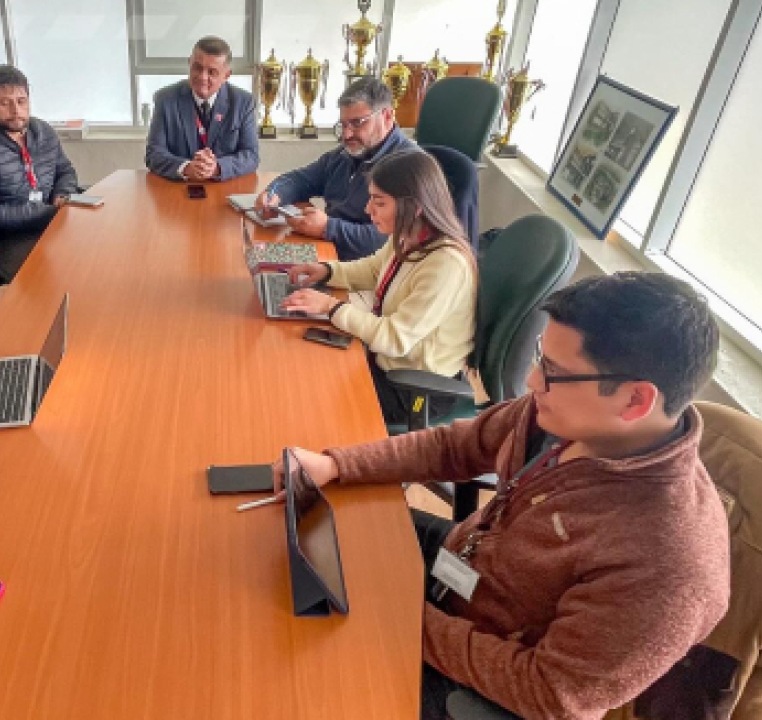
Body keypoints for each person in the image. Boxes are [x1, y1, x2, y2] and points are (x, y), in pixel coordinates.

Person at [272, 272, 731, 719]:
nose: (532, 380)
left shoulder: (672, 563)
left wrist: (398, 615)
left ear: (635, 401)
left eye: (554, 372)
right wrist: (335, 464)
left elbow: (549, 693)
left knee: (299, 678)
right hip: (463, 571)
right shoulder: (561, 416)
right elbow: (454, 447)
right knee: (308, 531)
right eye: (541, 357)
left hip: (488, 681)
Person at [282, 150, 476, 425]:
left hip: (414, 388)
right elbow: (374, 270)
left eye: (379, 202)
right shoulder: (410, 235)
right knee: (305, 367)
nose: (367, 210)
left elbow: (395, 339)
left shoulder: (446, 265)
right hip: (387, 362)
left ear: (414, 206)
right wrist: (326, 271)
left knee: (313, 397)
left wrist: (331, 307)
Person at [256, 77, 417, 260]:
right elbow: (300, 179)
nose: (347, 135)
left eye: (357, 123)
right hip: (328, 251)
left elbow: (392, 240)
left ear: (387, 116)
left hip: (365, 268)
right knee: (254, 258)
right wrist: (275, 194)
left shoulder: (411, 166)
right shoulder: (345, 154)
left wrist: (328, 228)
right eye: (343, 125)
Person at [0, 64, 79, 282]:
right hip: (9, 238)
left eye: (21, 101)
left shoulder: (43, 132)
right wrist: (42, 212)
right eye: (5, 103)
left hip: (53, 223)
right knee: (55, 280)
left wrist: (62, 194)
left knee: (97, 259)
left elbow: (65, 171)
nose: (16, 111)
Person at [144, 36, 259, 182]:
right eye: (197, 68)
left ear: (226, 75)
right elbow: (154, 154)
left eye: (212, 72)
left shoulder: (243, 102)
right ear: (189, 63)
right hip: (178, 188)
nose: (202, 77)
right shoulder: (165, 99)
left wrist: (217, 167)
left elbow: (251, 156)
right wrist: (186, 167)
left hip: (224, 187)